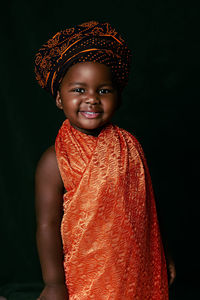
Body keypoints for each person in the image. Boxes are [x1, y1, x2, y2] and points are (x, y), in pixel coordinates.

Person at [34, 21, 175, 300]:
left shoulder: (130, 146)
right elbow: (47, 224)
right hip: (84, 275)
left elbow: (145, 210)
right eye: (78, 90)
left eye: (104, 90)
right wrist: (53, 284)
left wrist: (163, 252)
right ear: (59, 99)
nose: (92, 100)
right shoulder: (54, 160)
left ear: (118, 98)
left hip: (136, 268)